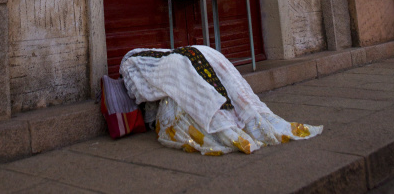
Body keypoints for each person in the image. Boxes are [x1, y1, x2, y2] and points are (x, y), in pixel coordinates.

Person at [120, 45, 322, 155]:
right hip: (204, 54)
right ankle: (246, 121)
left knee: (196, 91)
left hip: (187, 60)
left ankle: (228, 126)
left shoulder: (131, 66)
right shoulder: (148, 60)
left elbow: (142, 92)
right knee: (228, 89)